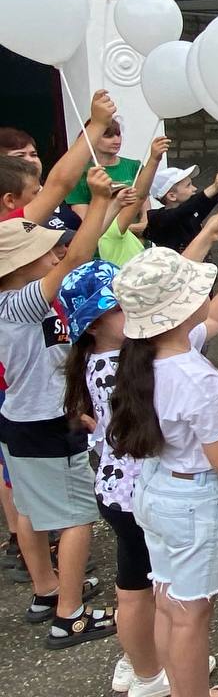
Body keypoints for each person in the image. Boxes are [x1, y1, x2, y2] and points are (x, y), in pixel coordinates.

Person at [57, 234, 218, 696]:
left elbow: (209, 317)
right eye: (116, 307)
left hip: (123, 489)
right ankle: (156, 676)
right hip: (151, 490)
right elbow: (200, 323)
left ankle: (150, 671)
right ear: (94, 324)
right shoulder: (138, 361)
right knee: (170, 602)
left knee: (147, 589)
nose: (128, 313)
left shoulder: (120, 354)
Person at [109, 246, 218, 697]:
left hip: (158, 489)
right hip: (195, 501)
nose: (207, 296)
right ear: (182, 311)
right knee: (191, 615)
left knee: (168, 600)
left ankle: (174, 686)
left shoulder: (142, 358)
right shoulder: (197, 377)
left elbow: (213, 319)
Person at [0, 165, 115, 647]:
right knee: (76, 517)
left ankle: (47, 590)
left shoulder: (18, 301)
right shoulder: (20, 301)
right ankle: (70, 615)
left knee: (29, 510)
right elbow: (81, 255)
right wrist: (98, 198)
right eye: (44, 252)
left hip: (23, 420)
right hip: (45, 424)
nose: (54, 255)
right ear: (17, 267)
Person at [1, 93, 118, 230]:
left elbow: (77, 248)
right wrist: (97, 125)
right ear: (9, 200)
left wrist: (103, 200)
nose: (30, 161)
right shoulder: (7, 227)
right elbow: (60, 183)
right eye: (20, 156)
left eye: (33, 154)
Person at [97, 137, 170, 267]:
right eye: (119, 195)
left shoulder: (101, 228)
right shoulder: (112, 228)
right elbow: (140, 196)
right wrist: (154, 159)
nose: (126, 199)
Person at [66, 118, 142, 223]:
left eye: (118, 134)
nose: (117, 140)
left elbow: (144, 207)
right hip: (102, 235)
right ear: (92, 137)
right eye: (108, 136)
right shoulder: (78, 173)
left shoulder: (135, 166)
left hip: (136, 236)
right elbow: (83, 219)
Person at [145, 163, 218, 254]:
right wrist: (214, 187)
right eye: (188, 185)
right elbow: (181, 212)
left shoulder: (192, 211)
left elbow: (213, 197)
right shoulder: (159, 218)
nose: (194, 188)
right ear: (172, 196)